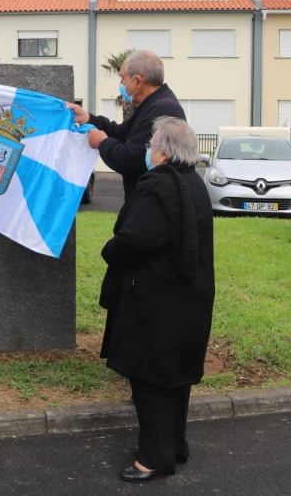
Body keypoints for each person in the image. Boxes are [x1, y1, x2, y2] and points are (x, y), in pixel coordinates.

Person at [98, 116, 215, 483]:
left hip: (156, 302)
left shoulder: (160, 188)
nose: (147, 151)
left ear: (164, 152)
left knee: (150, 380)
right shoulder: (193, 182)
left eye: (150, 145)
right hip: (188, 296)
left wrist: (109, 248)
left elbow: (134, 240)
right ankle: (174, 445)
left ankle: (154, 458)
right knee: (175, 379)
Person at [66, 50, 185, 200]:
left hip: (153, 201)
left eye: (123, 79)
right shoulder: (151, 105)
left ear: (138, 82)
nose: (121, 85)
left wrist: (102, 143)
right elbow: (122, 133)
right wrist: (88, 118)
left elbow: (129, 159)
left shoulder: (161, 109)